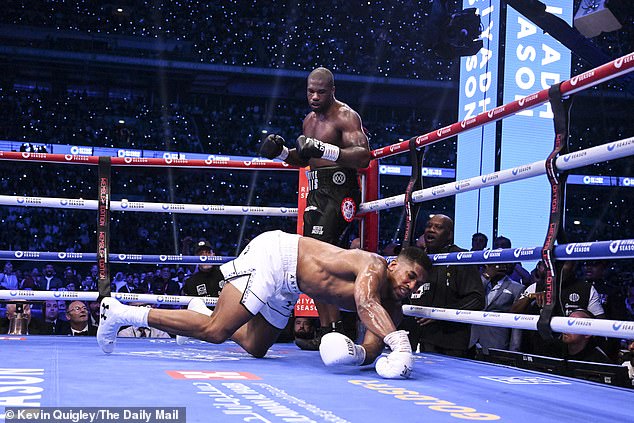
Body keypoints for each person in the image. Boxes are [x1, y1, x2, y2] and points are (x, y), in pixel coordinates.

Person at [98, 230, 431, 379]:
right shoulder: (372, 265)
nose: (411, 285)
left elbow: (374, 344)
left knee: (256, 346)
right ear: (393, 264)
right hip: (276, 257)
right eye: (410, 275)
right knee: (216, 332)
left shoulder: (393, 308)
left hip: (289, 285)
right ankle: (122, 313)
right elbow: (364, 301)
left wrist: (360, 355)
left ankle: (200, 311)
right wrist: (400, 343)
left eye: (418, 283)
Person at [259, 66, 371, 349]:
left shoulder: (346, 116)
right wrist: (283, 153)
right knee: (311, 263)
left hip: (340, 190)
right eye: (310, 91)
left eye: (321, 91)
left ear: (332, 90)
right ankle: (328, 329)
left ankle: (340, 328)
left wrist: (324, 149)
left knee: (325, 261)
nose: (315, 96)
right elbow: (305, 157)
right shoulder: (309, 120)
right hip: (316, 192)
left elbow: (363, 157)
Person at [406, 214, 485, 357]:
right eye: (429, 226)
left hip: (449, 341)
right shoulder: (418, 259)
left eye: (438, 227)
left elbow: (477, 299)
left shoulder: (460, 258)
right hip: (417, 338)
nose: (431, 230)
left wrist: (441, 313)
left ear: (449, 235)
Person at [469, 262, 526, 352]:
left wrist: (514, 350)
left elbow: (516, 322)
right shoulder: (480, 283)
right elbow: (471, 297)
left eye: (500, 264)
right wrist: (486, 276)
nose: (497, 266)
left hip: (496, 343)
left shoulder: (517, 288)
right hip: (472, 340)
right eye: (494, 264)